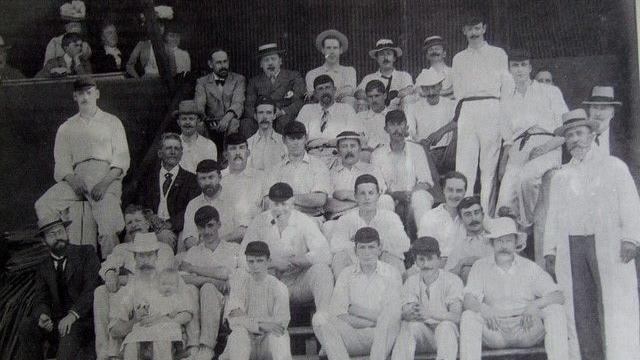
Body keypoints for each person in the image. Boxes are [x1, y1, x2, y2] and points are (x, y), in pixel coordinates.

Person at [543, 109, 640, 359]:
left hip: (607, 244)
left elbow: (631, 204)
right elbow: (553, 215)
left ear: (592, 134)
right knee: (580, 308)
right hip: (572, 246)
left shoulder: (613, 166)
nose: (575, 140)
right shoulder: (561, 176)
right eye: (570, 136)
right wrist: (550, 249)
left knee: (613, 304)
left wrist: (631, 238)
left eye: (579, 133)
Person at [35, 76, 129, 259]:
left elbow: (121, 159)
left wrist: (104, 184)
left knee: (109, 228)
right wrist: (72, 179)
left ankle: (111, 270)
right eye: (80, 94)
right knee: (43, 204)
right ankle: (62, 250)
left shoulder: (112, 122)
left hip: (105, 176)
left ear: (97, 94)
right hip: (77, 177)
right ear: (74, 97)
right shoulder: (66, 127)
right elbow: (61, 161)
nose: (85, 97)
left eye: (89, 92)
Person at [460, 217, 568, 360]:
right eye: (499, 240)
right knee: (468, 316)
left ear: (516, 242)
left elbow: (558, 295)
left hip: (526, 328)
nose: (504, 246)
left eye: (508, 240)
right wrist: (483, 309)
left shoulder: (529, 267)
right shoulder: (480, 266)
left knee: (556, 310)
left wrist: (535, 304)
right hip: (495, 330)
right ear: (492, 243)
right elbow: (467, 299)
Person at [496, 49, 568, 226]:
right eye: (515, 65)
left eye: (523, 65)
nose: (519, 70)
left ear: (529, 67)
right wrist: (503, 165)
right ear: (509, 69)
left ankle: (529, 225)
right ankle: (515, 237)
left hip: (546, 147)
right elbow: (508, 139)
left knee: (527, 178)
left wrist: (545, 147)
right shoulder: (506, 99)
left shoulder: (550, 91)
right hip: (517, 152)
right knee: (503, 205)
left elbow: (565, 129)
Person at [94, 205, 175, 360]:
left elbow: (159, 277)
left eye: (138, 220)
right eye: (129, 222)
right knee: (100, 292)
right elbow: (107, 265)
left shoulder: (162, 248)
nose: (134, 225)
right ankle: (105, 353)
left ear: (147, 224)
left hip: (153, 296)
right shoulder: (121, 249)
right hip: (127, 298)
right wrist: (110, 272)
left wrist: (123, 279)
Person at [451, 14, 513, 214]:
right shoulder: (458, 58)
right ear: (464, 31)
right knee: (464, 165)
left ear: (484, 28)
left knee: (489, 166)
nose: (474, 32)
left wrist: (503, 121)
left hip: (491, 108)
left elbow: (506, 88)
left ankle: (486, 214)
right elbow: (458, 92)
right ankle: (465, 214)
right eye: (470, 29)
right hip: (468, 109)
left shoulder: (498, 54)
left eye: (477, 28)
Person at [18, 212, 100, 360]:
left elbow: (92, 289)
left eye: (60, 231)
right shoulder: (43, 267)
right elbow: (41, 299)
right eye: (51, 235)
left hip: (82, 322)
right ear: (44, 241)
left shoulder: (86, 253)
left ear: (67, 231)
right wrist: (43, 316)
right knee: (27, 326)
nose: (58, 237)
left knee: (69, 335)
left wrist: (72, 315)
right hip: (56, 324)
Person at [312, 227, 402, 360]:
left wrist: (354, 310)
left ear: (379, 249)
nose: (367, 253)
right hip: (352, 335)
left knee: (391, 322)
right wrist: (372, 320)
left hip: (383, 337)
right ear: (355, 251)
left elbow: (391, 317)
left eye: (371, 247)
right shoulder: (346, 274)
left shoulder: (391, 273)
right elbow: (339, 314)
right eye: (362, 248)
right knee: (319, 318)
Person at [241, 182, 334, 311]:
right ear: (269, 203)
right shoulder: (259, 222)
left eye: (284, 204)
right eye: (275, 204)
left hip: (297, 283)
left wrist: (297, 260)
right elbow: (242, 259)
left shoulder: (304, 220)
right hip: (268, 285)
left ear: (292, 203)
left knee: (322, 271)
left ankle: (324, 318)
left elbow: (324, 254)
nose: (279, 209)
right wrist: (272, 264)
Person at [109, 233, 193, 360]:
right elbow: (114, 330)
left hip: (168, 335)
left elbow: (187, 312)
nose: (146, 261)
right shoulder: (130, 288)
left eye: (150, 255)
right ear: (134, 257)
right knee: (132, 347)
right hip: (140, 335)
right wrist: (135, 320)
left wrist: (164, 321)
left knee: (162, 341)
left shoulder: (171, 278)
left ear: (156, 256)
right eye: (141, 255)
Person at [179, 206, 240, 360]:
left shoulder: (232, 248)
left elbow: (224, 273)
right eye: (201, 227)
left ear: (219, 224)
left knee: (207, 289)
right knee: (190, 289)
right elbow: (182, 279)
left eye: (210, 225)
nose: (206, 231)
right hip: (199, 305)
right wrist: (210, 279)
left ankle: (207, 347)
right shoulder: (194, 252)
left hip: (224, 303)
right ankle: (193, 346)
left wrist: (194, 268)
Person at [391, 237, 463, 360]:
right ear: (416, 262)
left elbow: (456, 316)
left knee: (445, 327)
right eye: (421, 260)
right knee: (410, 326)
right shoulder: (411, 281)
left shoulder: (452, 280)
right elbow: (409, 311)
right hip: (423, 336)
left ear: (439, 260)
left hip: (447, 336)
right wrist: (408, 312)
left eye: (430, 259)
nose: (426, 264)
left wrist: (429, 314)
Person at [222, 241, 292, 360]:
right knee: (238, 334)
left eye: (260, 261)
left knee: (279, 337)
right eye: (251, 261)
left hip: (267, 343)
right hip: (246, 343)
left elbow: (279, 325)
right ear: (246, 261)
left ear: (268, 261)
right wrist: (261, 325)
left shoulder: (279, 287)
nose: (255, 266)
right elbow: (234, 319)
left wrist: (248, 321)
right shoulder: (240, 284)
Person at [371, 110, 436, 236]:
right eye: (392, 125)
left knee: (421, 197)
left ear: (406, 127)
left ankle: (426, 241)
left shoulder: (417, 150)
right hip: (390, 197)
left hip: (413, 196)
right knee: (384, 200)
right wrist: (396, 195)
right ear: (386, 129)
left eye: (400, 124)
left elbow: (426, 181)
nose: (397, 129)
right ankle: (389, 247)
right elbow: (378, 186)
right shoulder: (377, 154)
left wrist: (410, 194)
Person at [330, 174, 409, 277]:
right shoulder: (346, 219)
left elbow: (404, 244)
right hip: (356, 264)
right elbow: (335, 246)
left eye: (371, 193)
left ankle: (393, 291)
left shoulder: (390, 217)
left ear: (378, 195)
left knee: (393, 257)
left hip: (382, 262)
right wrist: (360, 244)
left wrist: (376, 242)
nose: (367, 198)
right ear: (355, 197)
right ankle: (347, 291)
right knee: (339, 258)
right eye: (362, 193)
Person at [136, 132, 200, 238]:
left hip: (174, 229)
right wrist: (149, 216)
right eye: (168, 148)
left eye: (177, 149)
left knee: (163, 237)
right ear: (160, 153)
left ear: (181, 153)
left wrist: (170, 224)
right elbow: (140, 202)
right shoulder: (148, 177)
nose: (173, 152)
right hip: (148, 225)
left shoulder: (191, 180)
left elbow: (191, 209)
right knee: (131, 238)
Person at [120, 268, 192, 360]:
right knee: (136, 336)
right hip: (151, 325)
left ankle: (176, 351)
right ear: (158, 285)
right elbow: (145, 306)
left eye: (171, 284)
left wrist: (170, 318)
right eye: (164, 284)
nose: (167, 287)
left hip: (166, 326)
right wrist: (143, 309)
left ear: (177, 286)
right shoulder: (154, 297)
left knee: (167, 336)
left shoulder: (176, 299)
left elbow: (185, 313)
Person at [264, 121, 331, 218]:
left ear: (306, 138)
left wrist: (285, 200)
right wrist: (300, 204)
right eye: (291, 138)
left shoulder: (318, 165)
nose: (296, 143)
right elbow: (267, 202)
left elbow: (320, 199)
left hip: (311, 219)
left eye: (299, 138)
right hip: (282, 218)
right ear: (284, 140)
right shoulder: (276, 169)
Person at [181, 159, 250, 252]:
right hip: (202, 254)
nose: (207, 182)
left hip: (230, 251)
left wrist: (216, 243)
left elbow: (242, 231)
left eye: (211, 177)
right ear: (197, 180)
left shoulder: (235, 199)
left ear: (220, 177)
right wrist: (201, 251)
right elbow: (189, 238)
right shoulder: (193, 204)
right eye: (203, 178)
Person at [297, 74, 363, 167]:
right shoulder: (306, 110)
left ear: (334, 90)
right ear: (315, 93)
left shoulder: (346, 109)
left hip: (338, 156)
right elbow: (298, 136)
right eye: (320, 89)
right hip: (311, 156)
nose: (325, 92)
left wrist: (327, 142)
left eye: (327, 87)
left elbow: (353, 136)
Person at [243, 43, 306, 137]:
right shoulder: (254, 81)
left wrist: (282, 111)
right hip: (261, 117)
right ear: (261, 64)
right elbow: (249, 105)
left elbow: (300, 101)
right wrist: (261, 116)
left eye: (273, 59)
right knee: (246, 124)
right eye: (266, 60)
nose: (270, 63)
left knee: (284, 121)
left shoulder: (293, 76)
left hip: (283, 115)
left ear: (280, 61)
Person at [325, 132, 392, 219]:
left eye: (353, 146)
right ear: (338, 150)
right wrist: (363, 200)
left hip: (371, 217)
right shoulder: (331, 174)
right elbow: (329, 205)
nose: (349, 150)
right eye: (344, 146)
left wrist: (347, 196)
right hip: (343, 219)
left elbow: (380, 196)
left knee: (386, 200)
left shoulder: (372, 170)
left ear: (360, 148)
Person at [406, 68, 457, 174]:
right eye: (426, 89)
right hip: (425, 152)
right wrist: (419, 143)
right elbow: (409, 132)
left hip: (449, 154)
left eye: (433, 87)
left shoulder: (451, 105)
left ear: (440, 86)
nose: (431, 92)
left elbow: (459, 125)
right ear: (422, 90)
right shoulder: (413, 107)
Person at [195, 48, 246, 141]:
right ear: (210, 64)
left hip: (230, 120)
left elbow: (238, 102)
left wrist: (227, 118)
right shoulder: (202, 82)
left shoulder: (239, 79)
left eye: (225, 62)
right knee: (198, 125)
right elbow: (199, 105)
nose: (223, 66)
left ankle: (230, 152)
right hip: (210, 122)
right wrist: (207, 120)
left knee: (234, 123)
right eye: (218, 63)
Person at [444, 196, 493, 283]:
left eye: (476, 213)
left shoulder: (495, 239)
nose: (473, 218)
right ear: (461, 220)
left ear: (483, 215)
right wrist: (462, 263)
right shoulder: (458, 246)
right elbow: (446, 278)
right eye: (468, 215)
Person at [417, 171, 466, 256]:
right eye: (450, 190)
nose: (454, 195)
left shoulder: (470, 216)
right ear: (443, 190)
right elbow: (426, 254)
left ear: (465, 192)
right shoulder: (430, 217)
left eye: (459, 191)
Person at [357, 39, 413, 109]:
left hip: (397, 115)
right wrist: (377, 97)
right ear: (377, 59)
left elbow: (410, 90)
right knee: (360, 102)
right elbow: (358, 93)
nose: (385, 58)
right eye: (381, 54)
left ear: (394, 58)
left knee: (408, 99)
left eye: (389, 54)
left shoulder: (403, 75)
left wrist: (396, 94)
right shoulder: (369, 78)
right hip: (375, 113)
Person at [306, 29, 357, 106]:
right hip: (320, 111)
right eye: (328, 48)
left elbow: (349, 90)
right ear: (323, 50)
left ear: (341, 50)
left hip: (343, 111)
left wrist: (324, 93)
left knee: (350, 100)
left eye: (335, 48)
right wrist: (339, 93)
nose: (332, 52)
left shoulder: (349, 71)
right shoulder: (312, 74)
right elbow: (314, 97)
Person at [173, 100, 218, 174]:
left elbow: (211, 174)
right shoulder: (173, 146)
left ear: (198, 121)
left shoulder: (209, 145)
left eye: (191, 119)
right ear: (178, 122)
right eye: (184, 119)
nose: (187, 122)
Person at [246, 98, 287, 172]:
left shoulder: (283, 142)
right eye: (261, 112)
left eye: (268, 113)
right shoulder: (248, 143)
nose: (264, 117)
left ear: (274, 115)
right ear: (255, 116)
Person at [583, 85, 622, 156]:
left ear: (612, 113)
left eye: (603, 108)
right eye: (595, 107)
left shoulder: (622, 143)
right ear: (589, 110)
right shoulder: (579, 137)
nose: (598, 113)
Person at [358, 80, 390, 156]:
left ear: (385, 95)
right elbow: (359, 142)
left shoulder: (393, 115)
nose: (374, 100)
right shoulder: (360, 117)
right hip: (367, 155)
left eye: (377, 96)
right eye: (370, 97)